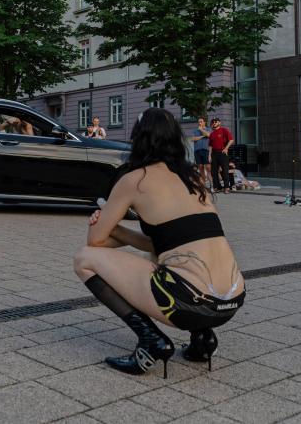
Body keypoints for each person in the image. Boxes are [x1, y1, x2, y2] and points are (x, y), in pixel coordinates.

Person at [73, 108, 245, 378]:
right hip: (231, 300)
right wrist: (119, 230)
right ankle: (203, 339)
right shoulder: (195, 179)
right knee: (164, 258)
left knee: (84, 259)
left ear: (139, 138)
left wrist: (110, 226)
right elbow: (165, 244)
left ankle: (151, 341)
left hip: (188, 304)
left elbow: (95, 243)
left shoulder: (134, 180)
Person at [208, 118, 234, 194]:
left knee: (225, 171)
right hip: (214, 154)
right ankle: (217, 187)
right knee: (214, 172)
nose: (214, 123)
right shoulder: (212, 134)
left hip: (222, 153)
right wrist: (209, 155)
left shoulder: (224, 130)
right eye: (213, 122)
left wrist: (226, 148)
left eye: (216, 122)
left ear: (219, 122)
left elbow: (231, 140)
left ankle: (226, 188)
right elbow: (210, 146)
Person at [189, 117, 211, 188]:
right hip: (197, 150)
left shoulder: (208, 129)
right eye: (199, 122)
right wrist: (202, 136)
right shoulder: (195, 131)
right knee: (200, 167)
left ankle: (212, 184)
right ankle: (204, 184)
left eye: (201, 121)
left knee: (208, 167)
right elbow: (193, 139)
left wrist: (201, 130)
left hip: (205, 150)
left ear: (205, 122)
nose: (199, 123)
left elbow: (208, 135)